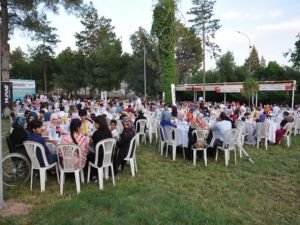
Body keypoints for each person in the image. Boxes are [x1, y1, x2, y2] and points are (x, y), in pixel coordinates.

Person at [86, 116, 113, 180]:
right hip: (108, 157)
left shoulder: (96, 133)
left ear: (99, 124)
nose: (94, 124)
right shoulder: (109, 132)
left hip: (99, 158)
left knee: (88, 155)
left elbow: (90, 143)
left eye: (95, 123)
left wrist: (90, 138)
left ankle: (93, 175)